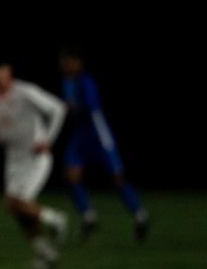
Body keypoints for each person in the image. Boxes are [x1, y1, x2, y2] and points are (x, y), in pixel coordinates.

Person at [0, 57, 68, 269]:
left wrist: (48, 139)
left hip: (35, 157)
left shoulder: (25, 92)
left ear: (8, 70)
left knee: (19, 203)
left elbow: (58, 109)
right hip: (14, 160)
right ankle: (47, 255)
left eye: (0, 69)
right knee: (14, 209)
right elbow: (5, 132)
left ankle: (56, 219)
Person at [58, 47, 149, 241]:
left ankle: (140, 215)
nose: (65, 66)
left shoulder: (86, 82)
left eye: (68, 62)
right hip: (80, 137)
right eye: (63, 63)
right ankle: (88, 216)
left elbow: (90, 106)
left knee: (117, 178)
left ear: (78, 62)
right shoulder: (66, 82)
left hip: (99, 136)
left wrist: (72, 107)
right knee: (72, 175)